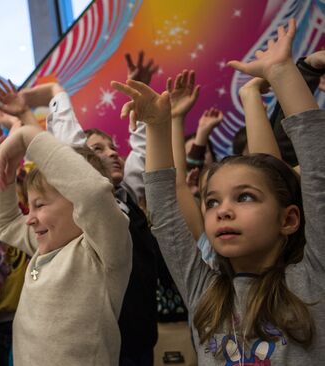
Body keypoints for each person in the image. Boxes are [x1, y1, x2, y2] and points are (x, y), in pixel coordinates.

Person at [112, 18, 325, 364]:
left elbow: (318, 172)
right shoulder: (205, 292)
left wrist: (284, 72)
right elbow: (166, 214)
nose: (223, 210)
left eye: (245, 197)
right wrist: (157, 125)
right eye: (211, 202)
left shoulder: (313, 279)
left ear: (288, 218)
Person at [0, 122, 132, 365]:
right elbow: (3, 223)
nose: (30, 219)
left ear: (77, 205)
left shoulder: (102, 249)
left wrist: (27, 137)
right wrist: (6, 174)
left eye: (40, 205)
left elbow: (93, 192)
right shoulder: (45, 242)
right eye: (30, 206)